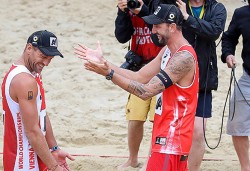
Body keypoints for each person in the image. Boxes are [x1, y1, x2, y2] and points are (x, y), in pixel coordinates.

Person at [74, 4, 199, 170]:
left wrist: (108, 74)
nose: (152, 31)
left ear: (173, 27)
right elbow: (140, 77)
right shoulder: (167, 50)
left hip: (173, 138)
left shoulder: (183, 57)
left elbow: (146, 91)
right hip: (164, 134)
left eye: (157, 26)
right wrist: (104, 63)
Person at [1, 30, 74, 171]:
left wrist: (54, 148)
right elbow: (32, 131)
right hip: (23, 162)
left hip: (35, 154)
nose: (46, 63)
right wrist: (54, 167)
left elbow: (41, 112)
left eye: (50, 58)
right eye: (43, 56)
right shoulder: (24, 81)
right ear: (29, 48)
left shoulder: (32, 72)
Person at [176, 0, 227, 170]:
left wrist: (187, 18)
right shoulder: (176, 4)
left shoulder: (217, 8)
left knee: (198, 133)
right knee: (173, 130)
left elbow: (214, 32)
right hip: (176, 78)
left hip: (204, 80)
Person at [114, 0, 162, 169]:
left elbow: (159, 35)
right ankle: (132, 159)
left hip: (160, 70)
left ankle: (151, 160)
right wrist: (122, 13)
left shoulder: (159, 4)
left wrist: (143, 11)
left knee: (158, 120)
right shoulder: (129, 8)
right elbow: (121, 37)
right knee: (134, 118)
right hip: (139, 69)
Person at [221, 1, 250, 170]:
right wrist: (228, 54)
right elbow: (229, 37)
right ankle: (245, 168)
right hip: (247, 79)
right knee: (237, 124)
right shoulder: (241, 13)